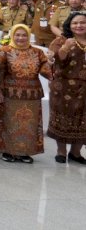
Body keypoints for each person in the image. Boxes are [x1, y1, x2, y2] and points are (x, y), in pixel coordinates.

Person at [0, 24, 49, 163]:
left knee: (29, 124)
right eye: (17, 35)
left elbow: (45, 71)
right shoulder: (4, 51)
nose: (20, 38)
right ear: (12, 36)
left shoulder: (38, 52)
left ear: (29, 36)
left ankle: (25, 152)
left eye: (24, 35)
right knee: (10, 123)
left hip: (32, 95)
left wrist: (51, 62)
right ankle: (8, 151)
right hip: (10, 93)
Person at [48, 13, 86, 163]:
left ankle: (75, 153)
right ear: (69, 25)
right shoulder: (61, 40)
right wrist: (65, 48)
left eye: (82, 22)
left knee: (83, 120)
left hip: (84, 88)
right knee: (62, 118)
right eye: (75, 23)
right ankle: (61, 152)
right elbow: (57, 61)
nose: (79, 25)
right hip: (63, 88)